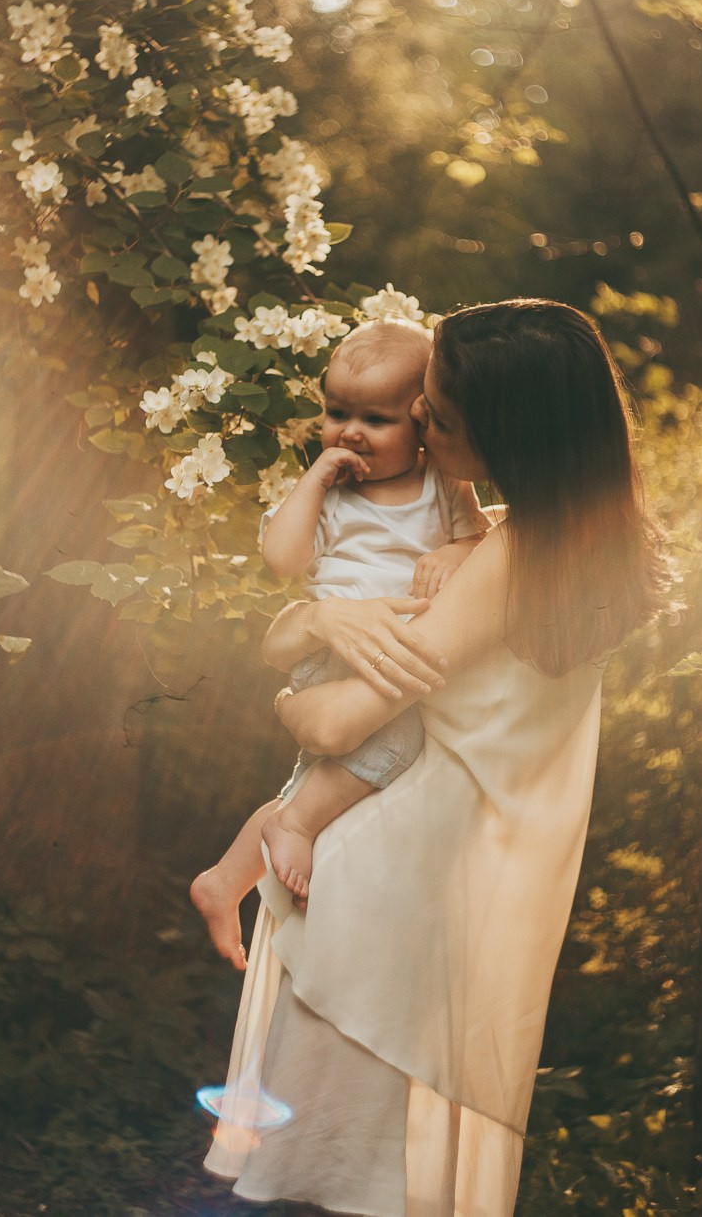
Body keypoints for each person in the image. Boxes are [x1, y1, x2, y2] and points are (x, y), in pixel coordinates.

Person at [192, 298, 668, 1217]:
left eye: (436, 416)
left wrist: (291, 678)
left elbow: (335, 726)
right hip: (454, 899)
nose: (416, 423)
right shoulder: (590, 546)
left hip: (382, 901)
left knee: (340, 1182)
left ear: (505, 433)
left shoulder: (503, 558)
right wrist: (313, 619)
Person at [192, 318, 489, 969]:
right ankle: (291, 829)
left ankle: (225, 879)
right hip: (337, 650)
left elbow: (479, 543)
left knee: (316, 776)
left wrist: (454, 551)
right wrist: (315, 479)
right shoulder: (330, 500)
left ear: (421, 426)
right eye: (335, 412)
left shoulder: (442, 486)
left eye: (376, 419)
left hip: (394, 650)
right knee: (397, 743)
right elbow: (282, 557)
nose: (350, 431)